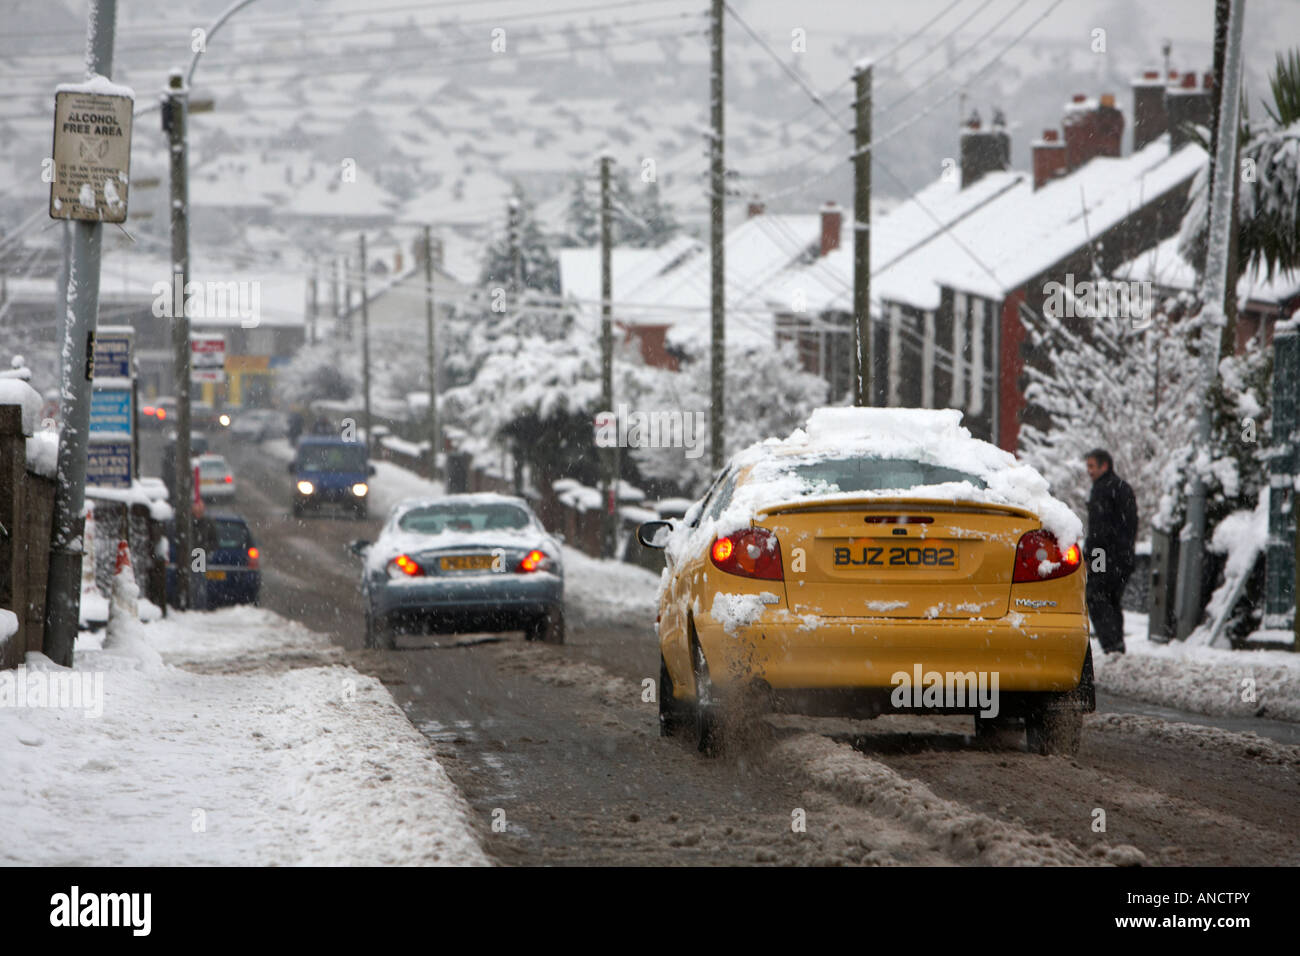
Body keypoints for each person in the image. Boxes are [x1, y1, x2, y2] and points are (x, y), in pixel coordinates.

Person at [1084, 448, 1138, 654]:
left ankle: (1111, 645)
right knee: (1112, 599)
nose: (1089, 471)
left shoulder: (1102, 490)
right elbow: (1131, 524)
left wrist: (1090, 556)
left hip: (1104, 556)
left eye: (1091, 466)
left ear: (1104, 465)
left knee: (1096, 595)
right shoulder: (1123, 488)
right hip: (1123, 557)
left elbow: (1098, 529)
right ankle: (1116, 645)